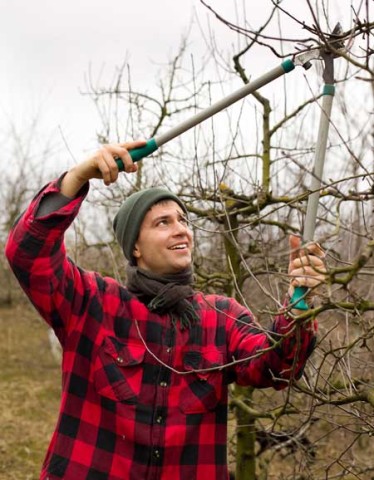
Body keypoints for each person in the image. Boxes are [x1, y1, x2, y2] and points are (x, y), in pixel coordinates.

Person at [5, 141, 326, 480]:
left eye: (183, 220)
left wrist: (298, 303)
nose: (181, 229)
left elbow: (276, 366)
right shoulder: (94, 304)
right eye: (162, 222)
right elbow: (27, 254)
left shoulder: (221, 318)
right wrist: (77, 177)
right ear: (136, 248)